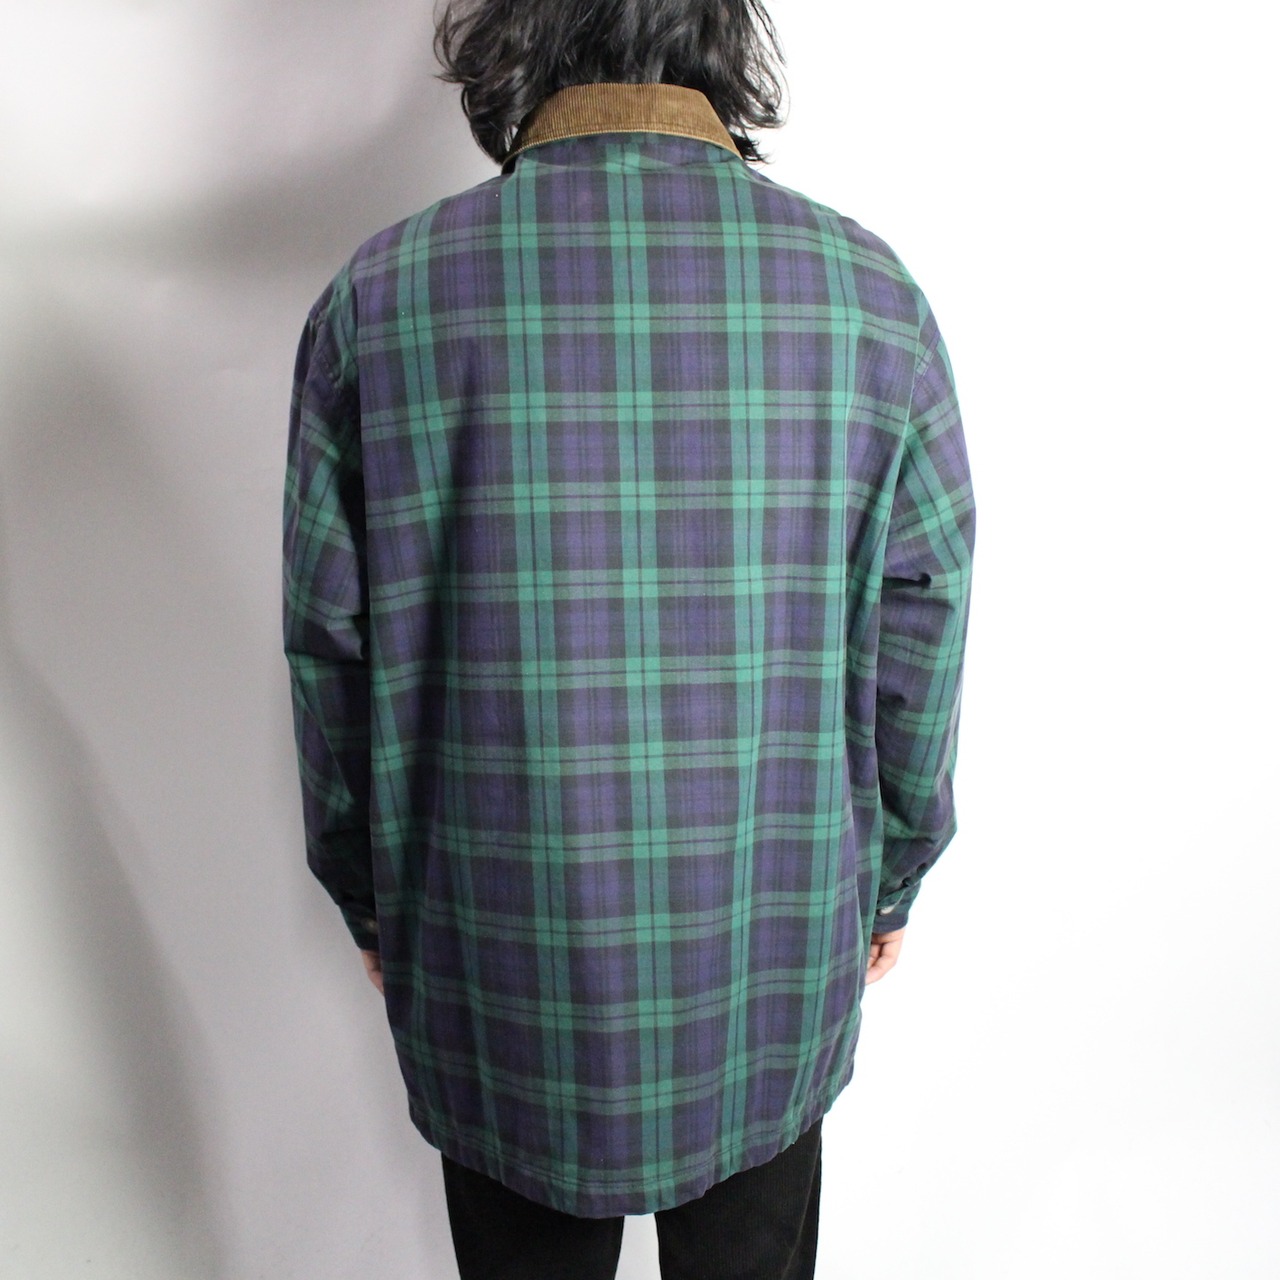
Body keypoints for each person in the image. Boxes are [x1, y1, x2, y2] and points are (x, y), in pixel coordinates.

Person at [282, 1, 976, 1275]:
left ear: (515, 35)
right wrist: (891, 868)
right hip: (771, 941)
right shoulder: (865, 298)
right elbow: (920, 616)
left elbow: (331, 644)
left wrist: (371, 897)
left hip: (496, 954)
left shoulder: (382, 300)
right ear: (720, 35)